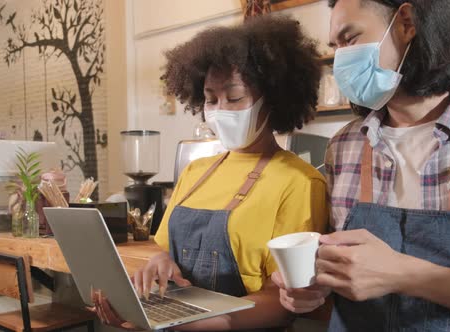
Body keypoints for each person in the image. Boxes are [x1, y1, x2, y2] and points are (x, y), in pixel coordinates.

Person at [273, 0, 450, 331]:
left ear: (406, 23)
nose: (340, 61)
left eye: (350, 40)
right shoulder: (344, 146)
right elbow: (341, 271)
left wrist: (402, 274)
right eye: (335, 48)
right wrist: (314, 287)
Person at [90, 15, 328, 331]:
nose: (219, 110)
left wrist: (214, 323)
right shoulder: (195, 172)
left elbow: (283, 302)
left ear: (271, 98)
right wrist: (160, 263)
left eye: (234, 97)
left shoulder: (299, 182)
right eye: (211, 98)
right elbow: (164, 249)